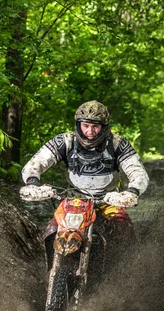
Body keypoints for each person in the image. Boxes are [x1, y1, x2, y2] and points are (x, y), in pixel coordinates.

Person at [20, 101, 149, 270]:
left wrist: (132, 191)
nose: (89, 131)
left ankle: (127, 273)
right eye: (85, 125)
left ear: (104, 127)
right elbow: (37, 162)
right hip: (74, 202)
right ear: (78, 125)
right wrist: (33, 183)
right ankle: (51, 272)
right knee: (52, 229)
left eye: (95, 127)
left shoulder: (117, 144)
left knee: (123, 226)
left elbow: (137, 171)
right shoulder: (65, 141)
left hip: (108, 201)